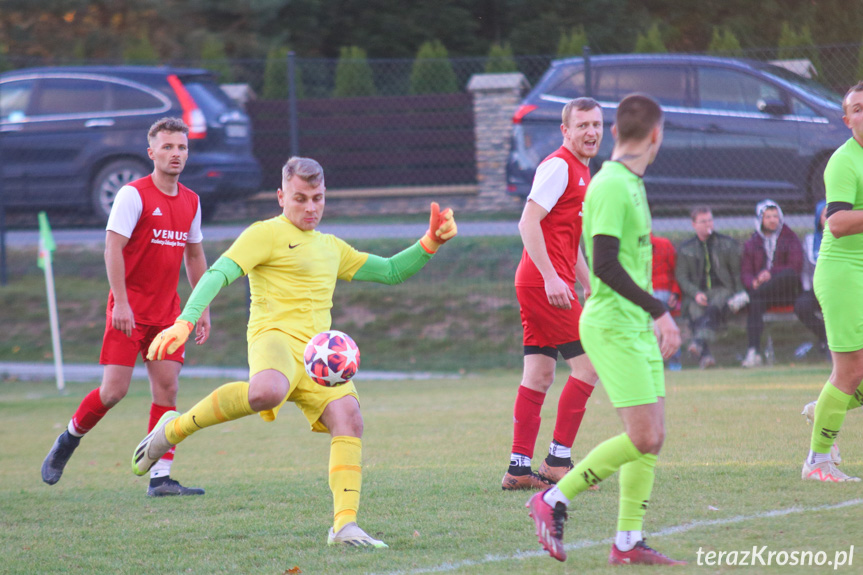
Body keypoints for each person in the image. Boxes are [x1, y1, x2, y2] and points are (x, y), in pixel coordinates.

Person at [130, 157, 457, 547]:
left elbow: (389, 271)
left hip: (320, 356)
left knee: (349, 419)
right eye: (300, 198)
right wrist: (186, 319)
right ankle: (171, 430)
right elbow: (219, 273)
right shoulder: (264, 233)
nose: (310, 207)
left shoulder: (331, 247)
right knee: (266, 391)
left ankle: (344, 526)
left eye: (317, 198)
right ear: (281, 196)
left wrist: (430, 243)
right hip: (274, 339)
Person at [526, 93, 685, 565]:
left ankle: (628, 542)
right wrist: (660, 309)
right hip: (615, 326)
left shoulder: (628, 181)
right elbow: (608, 265)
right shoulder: (614, 184)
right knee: (643, 436)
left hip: (632, 324)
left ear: (615, 132)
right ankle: (552, 499)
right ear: (657, 135)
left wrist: (650, 315)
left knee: (652, 436)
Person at [41, 117, 211, 497]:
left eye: (181, 147)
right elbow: (112, 248)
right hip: (128, 312)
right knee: (113, 392)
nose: (176, 153)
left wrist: (201, 309)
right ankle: (69, 439)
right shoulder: (132, 195)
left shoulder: (192, 201)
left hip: (169, 315)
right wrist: (119, 301)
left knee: (167, 392)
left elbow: (195, 256)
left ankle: (160, 478)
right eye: (167, 147)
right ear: (151, 153)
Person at [503, 97, 602, 491]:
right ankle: (557, 463)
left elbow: (565, 237)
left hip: (544, 281)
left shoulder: (581, 171)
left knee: (540, 374)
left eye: (596, 124)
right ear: (566, 131)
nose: (591, 132)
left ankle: (519, 468)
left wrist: (588, 280)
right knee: (589, 367)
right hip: (543, 284)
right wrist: (551, 277)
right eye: (582, 126)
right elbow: (528, 223)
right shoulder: (560, 165)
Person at [803, 81, 863, 482]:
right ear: (847, 121)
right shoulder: (843, 161)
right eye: (857, 109)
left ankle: (824, 407)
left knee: (848, 377)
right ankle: (817, 462)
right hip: (843, 272)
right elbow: (837, 222)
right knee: (850, 370)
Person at [675, 207, 745, 369]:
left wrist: (740, 294)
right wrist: (696, 293)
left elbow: (736, 274)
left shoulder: (727, 244)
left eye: (710, 220)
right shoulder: (686, 248)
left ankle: (699, 344)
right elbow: (682, 277)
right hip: (699, 293)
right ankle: (705, 356)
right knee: (694, 309)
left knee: (716, 304)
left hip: (723, 290)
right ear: (694, 224)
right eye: (703, 221)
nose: (708, 224)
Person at [740, 200, 803, 367]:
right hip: (764, 294)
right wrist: (752, 281)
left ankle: (746, 297)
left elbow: (795, 266)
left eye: (776, 216)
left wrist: (770, 274)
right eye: (768, 217)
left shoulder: (790, 237)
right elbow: (745, 271)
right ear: (760, 219)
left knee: (788, 274)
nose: (773, 220)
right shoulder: (752, 242)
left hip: (787, 292)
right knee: (756, 302)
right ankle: (753, 352)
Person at [794, 200, 828, 357]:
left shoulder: (847, 238)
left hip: (840, 289)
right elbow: (806, 269)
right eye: (825, 214)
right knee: (802, 306)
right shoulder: (810, 241)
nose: (829, 217)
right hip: (816, 289)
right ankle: (826, 337)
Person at [650, 233, 682, 370]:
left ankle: (666, 360)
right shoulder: (626, 245)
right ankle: (669, 360)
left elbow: (678, 272)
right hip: (643, 294)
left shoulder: (664, 244)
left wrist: (675, 292)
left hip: (663, 293)